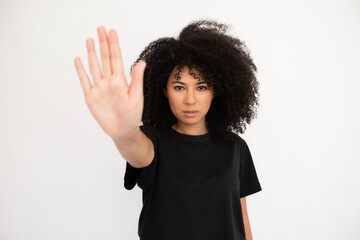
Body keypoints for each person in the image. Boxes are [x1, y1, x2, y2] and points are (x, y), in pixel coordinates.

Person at [74, 18, 262, 240]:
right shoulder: (152, 140)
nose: (190, 99)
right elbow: (135, 149)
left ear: (216, 91)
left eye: (201, 87)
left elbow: (241, 219)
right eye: (179, 87)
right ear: (164, 90)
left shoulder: (235, 147)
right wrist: (123, 132)